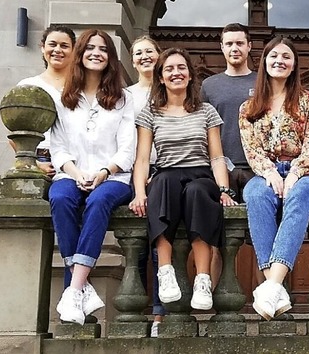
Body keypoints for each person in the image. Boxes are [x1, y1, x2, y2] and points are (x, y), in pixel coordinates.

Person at [129, 48, 235, 313]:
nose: (176, 73)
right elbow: (142, 159)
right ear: (161, 78)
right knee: (161, 185)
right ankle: (165, 272)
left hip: (200, 173)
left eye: (181, 68)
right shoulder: (150, 113)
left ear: (189, 75)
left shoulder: (206, 111)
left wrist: (224, 189)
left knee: (199, 193)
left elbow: (217, 157)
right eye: (169, 69)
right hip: (167, 173)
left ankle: (202, 279)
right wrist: (139, 192)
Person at [239, 36, 309, 321]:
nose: (280, 60)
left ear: (293, 65)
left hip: (308, 174)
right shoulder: (249, 107)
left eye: (286, 57)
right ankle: (274, 289)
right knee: (255, 195)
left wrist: (294, 174)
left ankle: (271, 286)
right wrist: (268, 172)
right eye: (274, 56)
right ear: (264, 62)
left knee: (299, 195)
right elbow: (252, 151)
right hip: (264, 172)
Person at [50, 29, 135, 325]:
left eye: (103, 49)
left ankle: (74, 288)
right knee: (60, 199)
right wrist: (75, 173)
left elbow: (128, 149)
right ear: (81, 54)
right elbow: (57, 146)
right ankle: (81, 289)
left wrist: (102, 172)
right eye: (90, 48)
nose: (96, 53)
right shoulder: (63, 98)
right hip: (70, 175)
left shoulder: (123, 99)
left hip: (113, 178)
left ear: (111, 58)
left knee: (98, 203)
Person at [200, 23, 258, 288]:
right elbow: (201, 128)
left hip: (258, 170)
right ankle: (208, 303)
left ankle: (267, 303)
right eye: (229, 44)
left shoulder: (262, 82)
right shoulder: (209, 86)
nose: (235, 48)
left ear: (249, 46)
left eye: (239, 43)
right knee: (216, 242)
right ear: (221, 48)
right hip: (219, 171)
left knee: (262, 241)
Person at [126, 35, 165, 337]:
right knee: (136, 245)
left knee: (161, 245)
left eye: (149, 51)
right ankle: (135, 315)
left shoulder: (170, 92)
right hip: (131, 174)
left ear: (159, 55)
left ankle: (160, 315)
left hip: (164, 173)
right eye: (138, 53)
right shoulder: (124, 96)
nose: (144, 57)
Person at [15, 25, 76, 179]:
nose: (57, 50)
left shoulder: (82, 88)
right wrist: (34, 163)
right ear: (42, 48)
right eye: (52, 44)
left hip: (75, 160)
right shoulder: (28, 86)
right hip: (40, 158)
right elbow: (14, 131)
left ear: (74, 51)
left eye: (64, 46)